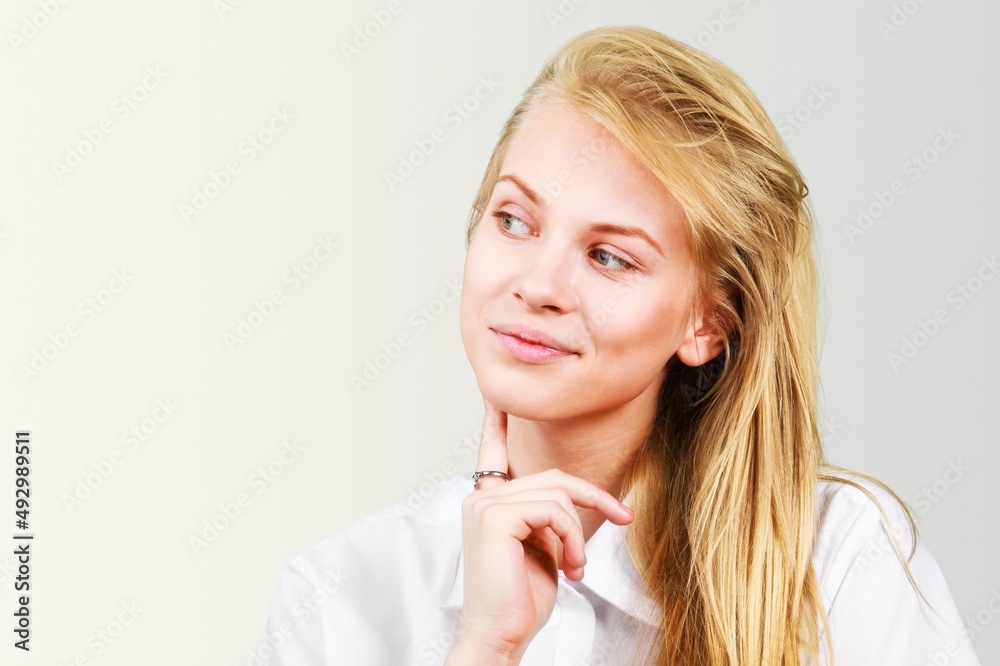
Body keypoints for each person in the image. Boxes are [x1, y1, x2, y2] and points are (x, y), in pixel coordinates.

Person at [257, 26, 980, 665]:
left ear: (709, 325)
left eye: (610, 257)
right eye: (514, 220)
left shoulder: (839, 558)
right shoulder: (341, 593)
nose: (538, 284)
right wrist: (487, 647)